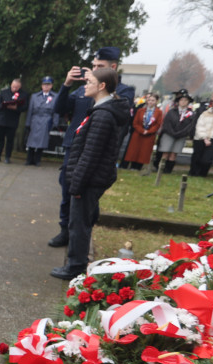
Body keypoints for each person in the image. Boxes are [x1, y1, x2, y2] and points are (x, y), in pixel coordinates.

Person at [50, 47, 135, 248]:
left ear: (112, 67)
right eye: (93, 65)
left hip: (95, 148)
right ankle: (65, 230)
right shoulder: (82, 88)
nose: (93, 69)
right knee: (67, 189)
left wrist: (98, 85)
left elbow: (120, 114)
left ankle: (80, 234)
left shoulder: (122, 91)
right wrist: (66, 85)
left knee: (86, 195)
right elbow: (60, 109)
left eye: (100, 67)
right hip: (75, 145)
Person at [156, 90, 195, 174]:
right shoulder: (172, 111)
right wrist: (172, 132)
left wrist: (180, 133)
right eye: (181, 100)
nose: (183, 102)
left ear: (188, 102)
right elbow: (166, 123)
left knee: (174, 153)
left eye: (185, 100)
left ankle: (168, 170)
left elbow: (190, 126)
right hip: (169, 134)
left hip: (181, 136)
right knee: (165, 152)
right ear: (178, 101)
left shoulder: (191, 114)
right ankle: (160, 169)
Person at [121, 92, 162, 170]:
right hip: (138, 133)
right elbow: (135, 122)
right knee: (134, 150)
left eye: (153, 100)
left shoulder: (159, 112)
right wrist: (142, 130)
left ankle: (139, 166)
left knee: (144, 151)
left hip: (149, 135)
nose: (150, 102)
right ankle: (132, 165)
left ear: (156, 101)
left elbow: (157, 124)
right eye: (149, 100)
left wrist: (148, 131)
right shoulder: (141, 110)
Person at [0, 78, 26, 162]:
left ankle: (7, 157)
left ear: (20, 87)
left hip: (13, 120)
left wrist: (16, 108)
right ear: (11, 85)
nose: (14, 88)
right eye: (13, 86)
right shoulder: (4, 92)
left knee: (10, 140)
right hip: (2, 119)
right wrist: (3, 106)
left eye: (16, 87)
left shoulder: (23, 94)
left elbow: (25, 107)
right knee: (0, 139)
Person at [25, 76, 57, 166]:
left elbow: (56, 111)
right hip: (35, 119)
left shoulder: (55, 97)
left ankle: (37, 160)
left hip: (46, 120)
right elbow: (30, 110)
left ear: (51, 86)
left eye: (48, 84)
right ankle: (29, 159)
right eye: (44, 84)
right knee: (31, 141)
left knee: (42, 141)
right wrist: (28, 122)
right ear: (41, 86)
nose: (46, 86)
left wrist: (55, 122)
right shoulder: (35, 96)